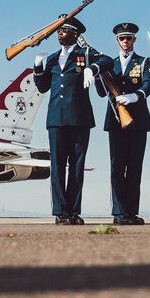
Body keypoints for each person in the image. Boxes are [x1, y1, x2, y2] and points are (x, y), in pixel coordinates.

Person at [33, 17, 112, 225]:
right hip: (56, 118)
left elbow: (107, 60)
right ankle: (61, 212)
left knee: (77, 167)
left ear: (76, 34)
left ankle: (74, 211)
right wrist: (37, 68)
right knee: (57, 166)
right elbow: (42, 87)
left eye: (65, 30)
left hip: (79, 118)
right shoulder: (51, 58)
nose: (60, 33)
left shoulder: (84, 54)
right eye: (59, 30)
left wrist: (92, 68)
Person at [94, 22, 150, 225]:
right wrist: (96, 74)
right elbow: (103, 92)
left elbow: (149, 83)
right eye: (122, 38)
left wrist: (136, 96)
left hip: (137, 120)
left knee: (135, 167)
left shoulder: (144, 61)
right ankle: (119, 212)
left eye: (129, 38)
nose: (126, 41)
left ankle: (131, 212)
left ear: (134, 40)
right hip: (115, 119)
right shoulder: (108, 64)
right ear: (117, 40)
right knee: (117, 167)